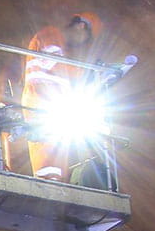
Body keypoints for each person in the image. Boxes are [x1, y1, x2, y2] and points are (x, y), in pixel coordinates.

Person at [23, 13, 109, 185]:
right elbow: (54, 66)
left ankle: (55, 188)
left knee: (56, 164)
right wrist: (88, 72)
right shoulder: (51, 35)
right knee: (47, 162)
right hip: (42, 104)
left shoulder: (63, 48)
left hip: (49, 106)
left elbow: (64, 74)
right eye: (86, 38)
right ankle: (49, 190)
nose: (83, 42)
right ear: (81, 26)